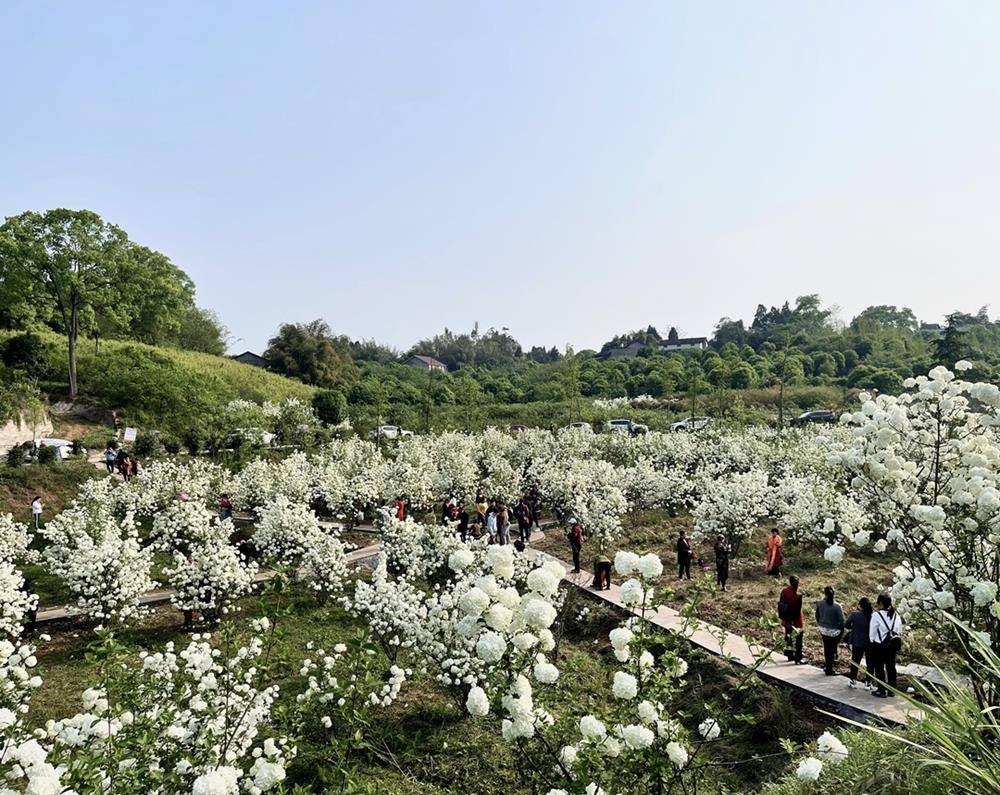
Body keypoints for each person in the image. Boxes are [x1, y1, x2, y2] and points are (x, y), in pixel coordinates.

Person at [870, 593, 903, 698]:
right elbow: (899, 631)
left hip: (879, 645)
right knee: (891, 667)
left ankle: (881, 690)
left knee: (879, 668)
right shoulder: (896, 615)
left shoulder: (876, 615)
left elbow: (872, 632)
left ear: (880, 603)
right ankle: (892, 690)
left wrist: (872, 641)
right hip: (892, 645)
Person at [815, 586, 845, 675]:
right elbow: (842, 621)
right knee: (832, 649)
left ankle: (828, 666)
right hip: (834, 632)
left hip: (823, 629)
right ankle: (830, 668)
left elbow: (817, 616)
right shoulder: (837, 606)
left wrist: (821, 624)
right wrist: (841, 633)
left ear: (824, 593)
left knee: (827, 648)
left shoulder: (820, 603)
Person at [844, 597, 873, 689]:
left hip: (857, 642)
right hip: (870, 642)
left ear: (860, 605)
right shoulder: (873, 615)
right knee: (870, 663)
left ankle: (852, 680)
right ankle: (868, 683)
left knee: (855, 661)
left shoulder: (855, 615)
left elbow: (846, 624)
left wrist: (854, 627)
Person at [778, 575, 804, 663]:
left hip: (786, 618)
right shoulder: (798, 595)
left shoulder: (784, 591)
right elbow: (798, 610)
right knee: (798, 638)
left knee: (788, 636)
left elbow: (781, 603)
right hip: (796, 620)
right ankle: (798, 657)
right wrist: (793, 621)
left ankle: (789, 654)